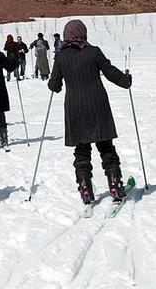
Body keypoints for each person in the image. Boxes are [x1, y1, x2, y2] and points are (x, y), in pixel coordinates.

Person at [47, 19, 132, 206]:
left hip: (75, 108)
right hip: (97, 104)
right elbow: (110, 72)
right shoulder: (93, 51)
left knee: (82, 151)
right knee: (106, 148)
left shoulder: (61, 57)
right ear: (83, 33)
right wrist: (126, 81)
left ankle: (85, 189)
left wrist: (54, 83)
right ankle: (116, 186)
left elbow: (55, 85)